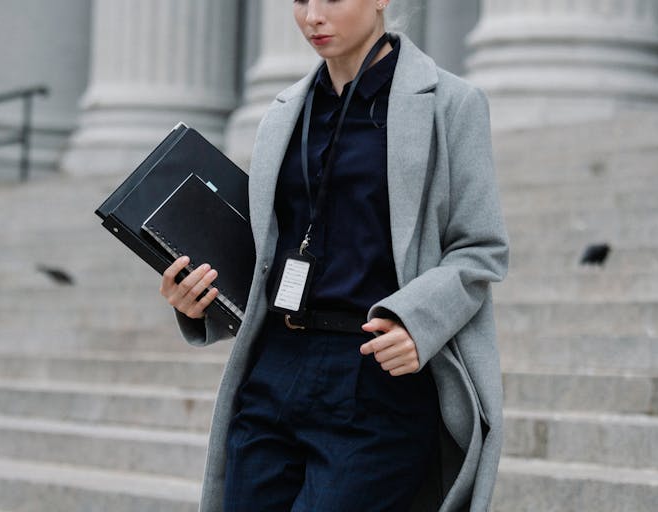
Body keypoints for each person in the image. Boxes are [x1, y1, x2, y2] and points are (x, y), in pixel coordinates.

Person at [160, 0, 508, 510]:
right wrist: (198, 297)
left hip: (373, 374)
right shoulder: (282, 114)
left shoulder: (450, 104)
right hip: (274, 365)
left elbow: (480, 248)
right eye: (301, 0)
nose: (312, 16)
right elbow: (267, 251)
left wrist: (418, 322)